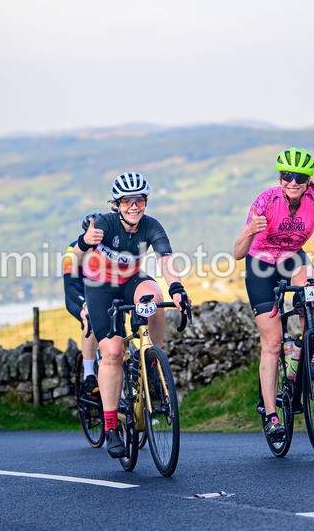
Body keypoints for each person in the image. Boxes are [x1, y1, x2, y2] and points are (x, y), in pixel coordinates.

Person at [233, 147, 314, 442]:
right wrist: (249, 231)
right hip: (260, 264)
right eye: (287, 176)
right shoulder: (265, 200)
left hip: (291, 257)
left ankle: (309, 343)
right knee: (272, 343)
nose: (293, 182)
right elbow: (237, 254)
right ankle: (272, 416)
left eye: (299, 177)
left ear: (309, 180)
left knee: (311, 281)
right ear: (279, 177)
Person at [73, 172, 191, 459]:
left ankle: (153, 363)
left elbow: (166, 259)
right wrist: (84, 241)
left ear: (146, 202)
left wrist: (177, 287)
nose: (134, 206)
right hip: (100, 287)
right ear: (118, 204)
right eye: (128, 201)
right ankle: (111, 425)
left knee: (156, 295)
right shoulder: (103, 223)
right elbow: (76, 257)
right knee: (112, 352)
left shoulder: (151, 226)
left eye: (140, 200)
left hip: (130, 281)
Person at [63, 213, 102, 399]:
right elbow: (69, 287)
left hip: (99, 292)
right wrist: (85, 304)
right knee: (92, 318)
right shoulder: (73, 250)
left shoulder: (106, 249)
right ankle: (89, 375)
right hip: (77, 295)